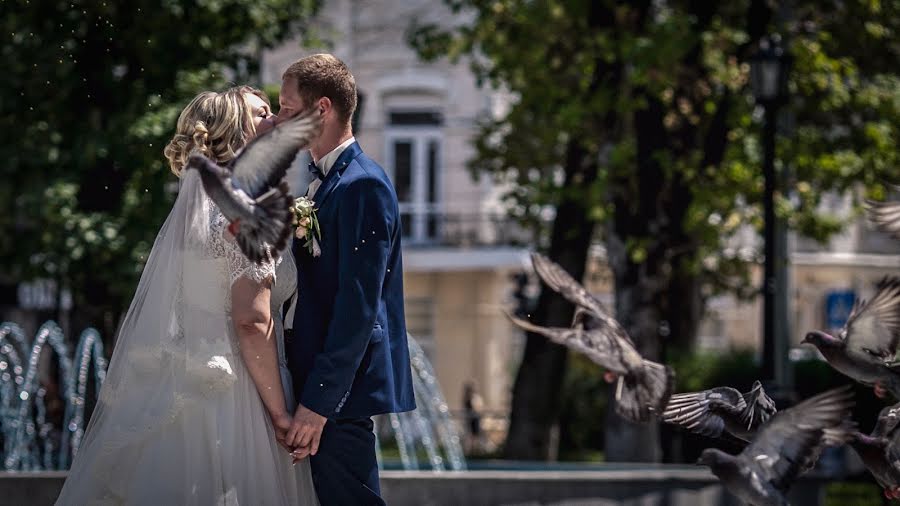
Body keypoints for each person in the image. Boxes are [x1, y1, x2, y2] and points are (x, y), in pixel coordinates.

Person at [55, 86, 319, 505]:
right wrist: (280, 414)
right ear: (239, 132)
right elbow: (252, 322)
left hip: (183, 382)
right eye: (262, 113)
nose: (274, 121)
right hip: (240, 396)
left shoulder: (199, 216)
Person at [279, 54, 416, 505]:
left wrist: (318, 403)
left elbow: (357, 310)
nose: (280, 118)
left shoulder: (363, 185)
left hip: (338, 395)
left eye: (286, 107)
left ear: (321, 109)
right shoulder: (324, 181)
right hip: (310, 378)